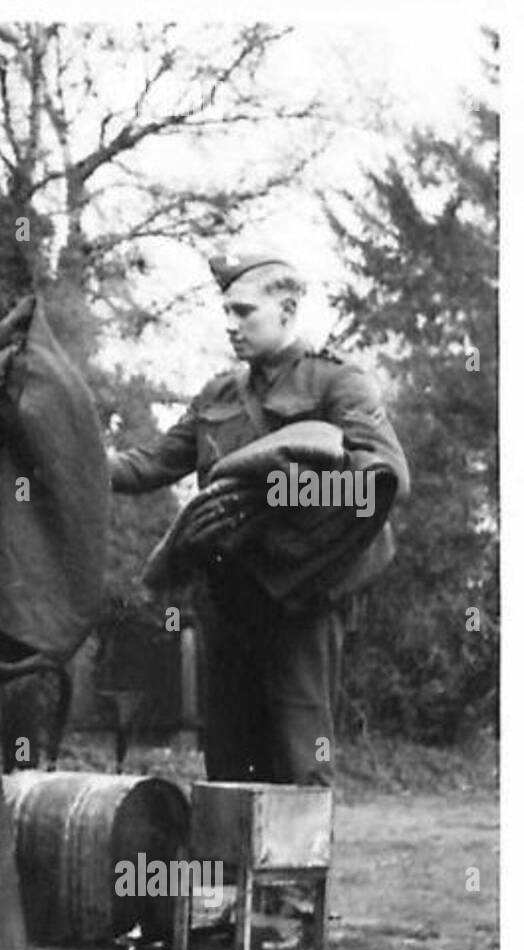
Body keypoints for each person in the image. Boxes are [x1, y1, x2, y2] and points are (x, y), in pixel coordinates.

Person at [107, 253, 409, 787]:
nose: (230, 325)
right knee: (229, 760)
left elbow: (384, 479)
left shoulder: (338, 384)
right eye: (225, 312)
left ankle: (297, 873)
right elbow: (147, 466)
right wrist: (58, 459)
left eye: (244, 312)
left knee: (301, 754)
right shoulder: (217, 395)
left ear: (288, 309)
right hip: (227, 597)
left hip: (301, 597)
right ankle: (232, 872)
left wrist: (280, 492)